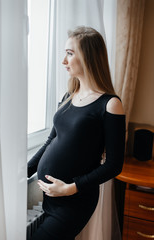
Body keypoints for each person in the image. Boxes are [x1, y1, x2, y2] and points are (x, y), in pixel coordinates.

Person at [28, 26, 126, 240]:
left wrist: (71, 188)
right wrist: (23, 172)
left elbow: (114, 165)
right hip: (51, 198)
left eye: (70, 54)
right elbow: (51, 141)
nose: (64, 61)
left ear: (89, 57)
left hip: (75, 201)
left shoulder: (110, 104)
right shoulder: (68, 96)